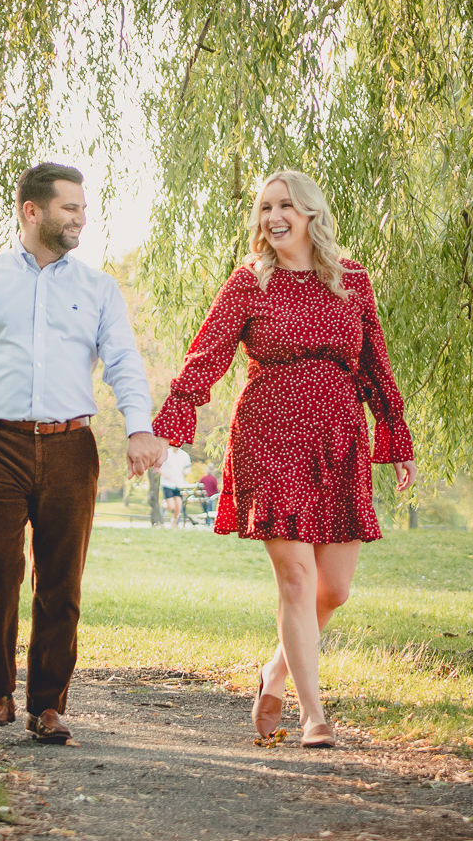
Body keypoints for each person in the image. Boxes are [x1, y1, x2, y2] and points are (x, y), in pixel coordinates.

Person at [152, 169, 416, 749]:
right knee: (296, 578)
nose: (273, 217)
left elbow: (374, 364)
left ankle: (276, 672)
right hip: (270, 434)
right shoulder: (250, 283)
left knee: (335, 588)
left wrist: (393, 431)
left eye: (286, 206)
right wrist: (175, 417)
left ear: (311, 215)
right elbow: (208, 352)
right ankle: (314, 714)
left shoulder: (354, 282)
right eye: (266, 207)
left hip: (338, 437)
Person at [0, 162, 168, 744]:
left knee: (61, 578)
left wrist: (139, 427)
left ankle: (49, 704)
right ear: (32, 211)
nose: (82, 218)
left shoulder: (98, 287)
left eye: (83, 208)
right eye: (70, 208)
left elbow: (124, 361)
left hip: (69, 446)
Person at [158, 445, 193, 525]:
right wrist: (164, 474)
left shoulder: (184, 455)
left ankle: (174, 525)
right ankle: (164, 504)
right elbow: (157, 467)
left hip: (179, 484)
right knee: (171, 506)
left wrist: (186, 471)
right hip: (167, 483)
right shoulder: (165, 453)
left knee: (178, 506)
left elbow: (188, 467)